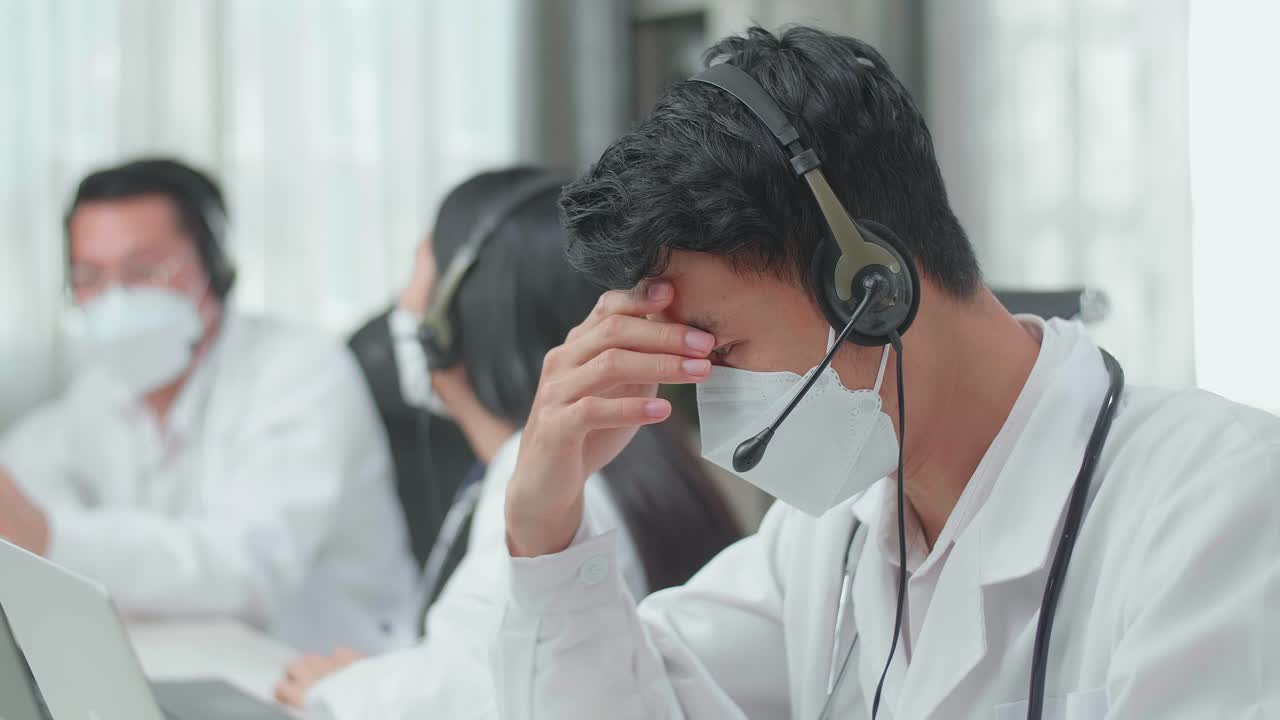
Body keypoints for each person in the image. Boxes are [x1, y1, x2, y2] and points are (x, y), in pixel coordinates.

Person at [493, 26, 1280, 719]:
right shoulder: (824, 546)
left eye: (720, 351)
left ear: (870, 287)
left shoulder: (1220, 499)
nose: (715, 404)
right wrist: (542, 522)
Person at [271, 167, 744, 719]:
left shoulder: (563, 486)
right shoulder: (615, 458)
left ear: (450, 319)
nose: (402, 311)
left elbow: (473, 690)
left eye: (418, 276)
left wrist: (346, 689)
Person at [0, 158, 419, 654]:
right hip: (187, 662)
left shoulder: (302, 372)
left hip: (330, 671)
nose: (113, 299)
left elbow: (248, 569)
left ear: (215, 267)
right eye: (89, 276)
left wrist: (51, 538)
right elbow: (31, 475)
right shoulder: (102, 386)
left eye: (143, 271)